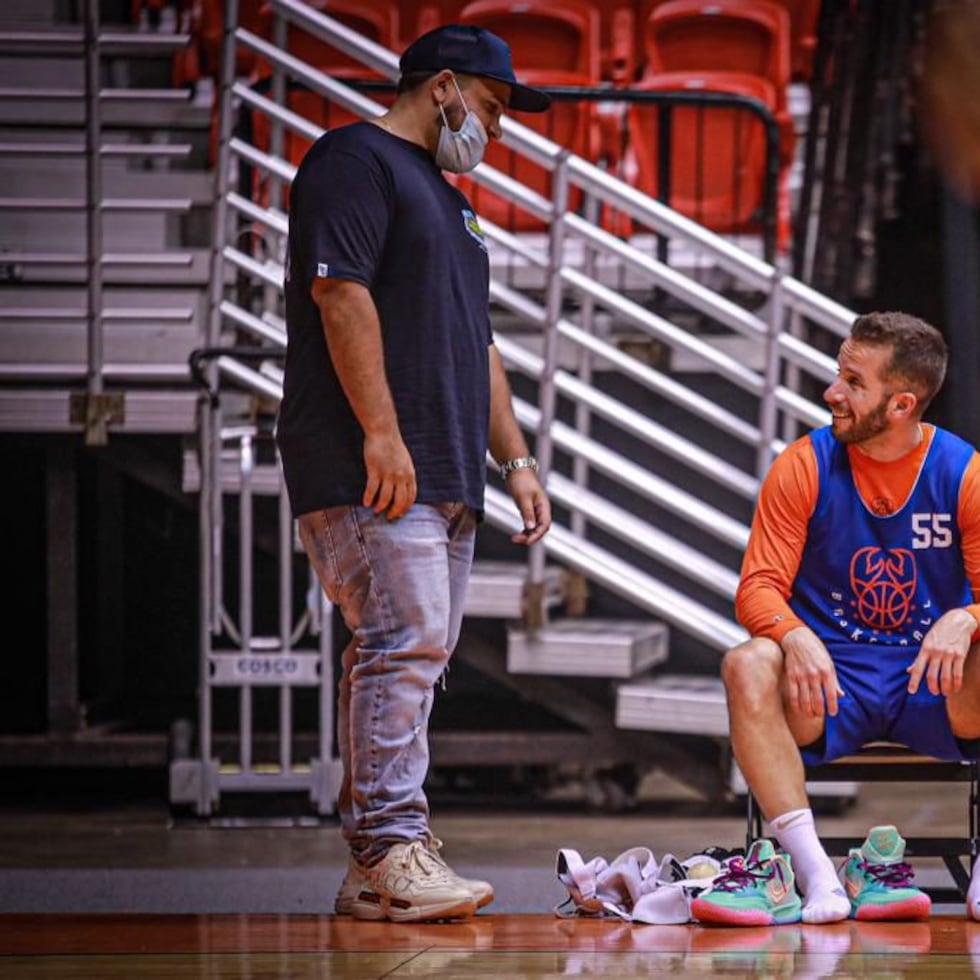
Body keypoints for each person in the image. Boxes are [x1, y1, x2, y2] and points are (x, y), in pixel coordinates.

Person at [275, 24, 552, 923]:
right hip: (372, 465)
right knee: (403, 646)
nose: (498, 130)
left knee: (415, 657)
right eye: (495, 108)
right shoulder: (352, 161)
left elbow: (482, 346)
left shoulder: (452, 206)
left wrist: (516, 460)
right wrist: (382, 435)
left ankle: (379, 862)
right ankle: (390, 846)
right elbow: (338, 293)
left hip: (444, 470)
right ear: (443, 87)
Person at [696, 311, 980, 925]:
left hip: (934, 682)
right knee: (746, 662)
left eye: (853, 381)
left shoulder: (964, 472)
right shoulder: (803, 463)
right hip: (829, 683)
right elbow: (758, 588)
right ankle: (814, 873)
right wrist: (793, 635)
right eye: (837, 374)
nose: (832, 392)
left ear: (902, 404)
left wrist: (969, 617)